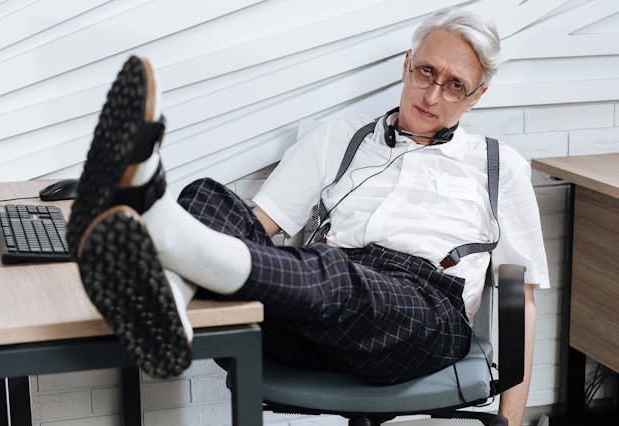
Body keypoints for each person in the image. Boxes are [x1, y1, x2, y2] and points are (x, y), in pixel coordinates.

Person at [66, 8, 548, 426]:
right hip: (316, 309)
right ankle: (167, 303)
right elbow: (257, 224)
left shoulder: (498, 165)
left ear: (476, 96)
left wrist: (510, 421)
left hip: (422, 317)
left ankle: (160, 226)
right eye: (425, 72)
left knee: (336, 277)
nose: (433, 95)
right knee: (209, 198)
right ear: (406, 65)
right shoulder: (339, 136)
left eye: (455, 85)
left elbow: (521, 300)